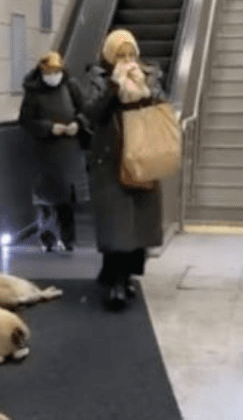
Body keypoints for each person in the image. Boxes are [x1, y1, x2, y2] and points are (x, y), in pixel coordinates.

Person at [79, 30, 166, 311]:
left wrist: (144, 92)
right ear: (108, 57)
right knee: (116, 222)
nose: (127, 61)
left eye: (130, 55)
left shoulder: (150, 76)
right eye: (120, 56)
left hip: (142, 157)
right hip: (109, 161)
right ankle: (115, 281)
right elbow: (90, 114)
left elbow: (161, 108)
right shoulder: (99, 79)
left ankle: (125, 276)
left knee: (138, 221)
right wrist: (115, 89)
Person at [19, 51, 85, 253]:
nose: (53, 75)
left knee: (66, 201)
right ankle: (48, 238)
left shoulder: (71, 87)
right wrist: (49, 128)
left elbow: (85, 110)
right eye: (49, 72)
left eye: (57, 71)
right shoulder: (33, 92)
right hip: (44, 153)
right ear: (41, 71)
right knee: (46, 200)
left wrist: (77, 124)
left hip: (68, 152)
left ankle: (68, 239)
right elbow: (25, 120)